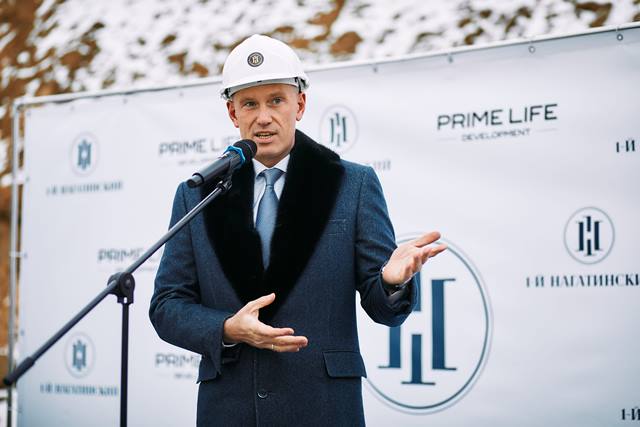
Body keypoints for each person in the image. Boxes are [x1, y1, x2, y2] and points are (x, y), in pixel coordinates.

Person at [149, 34, 446, 426]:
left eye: (276, 100)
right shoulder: (199, 194)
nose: (263, 117)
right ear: (232, 113)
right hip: (230, 411)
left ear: (300, 104)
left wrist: (391, 282)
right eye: (249, 104)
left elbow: (383, 310)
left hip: (323, 408)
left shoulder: (352, 185)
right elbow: (167, 305)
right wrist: (228, 329)